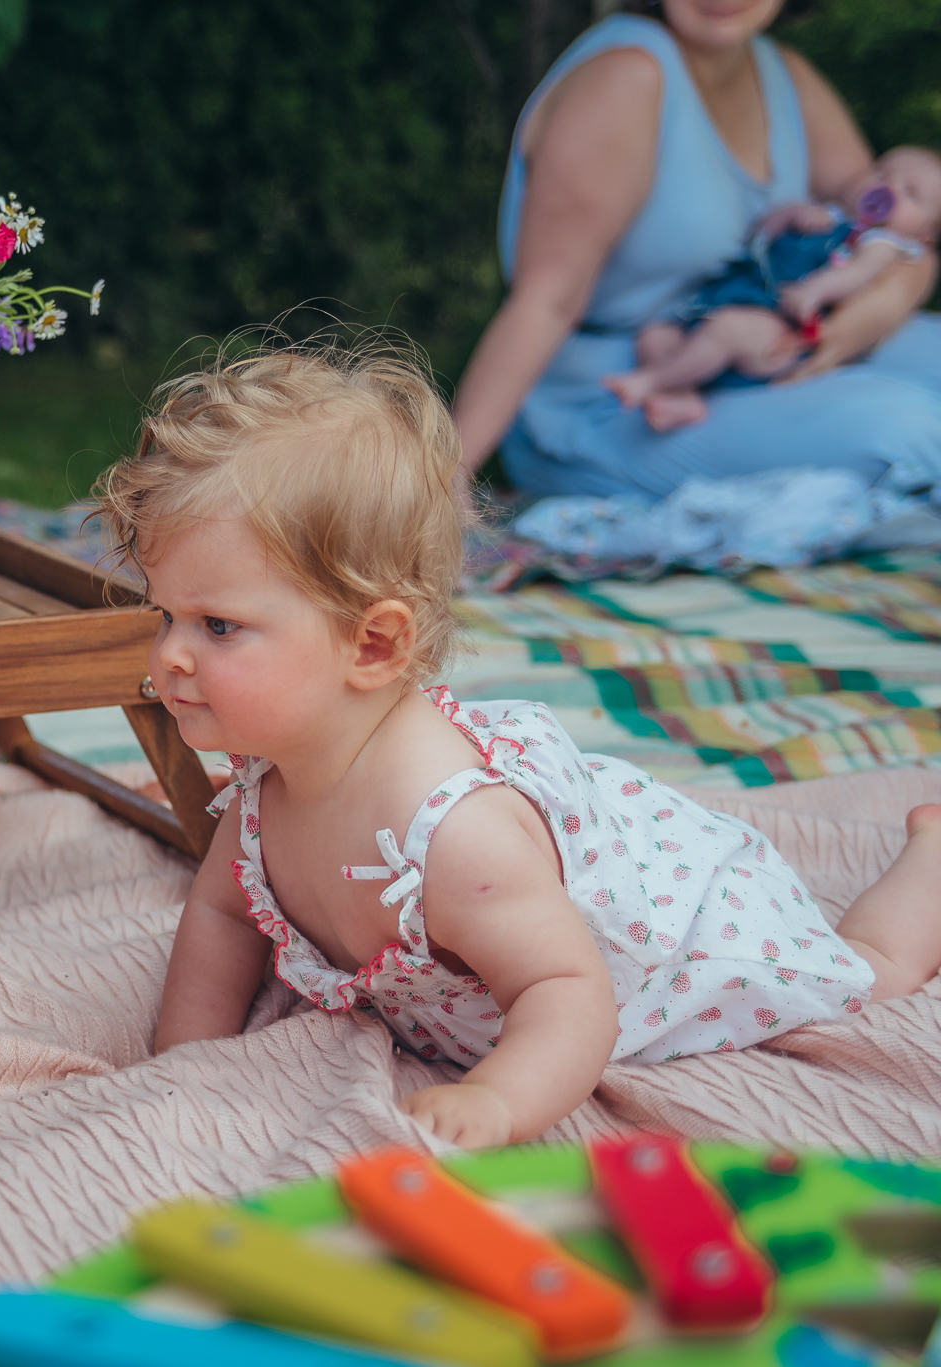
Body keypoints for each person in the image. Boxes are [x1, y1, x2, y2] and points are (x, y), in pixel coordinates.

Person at [98, 343, 941, 1148]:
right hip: (569, 868)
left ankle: (931, 861)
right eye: (165, 614)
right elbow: (223, 913)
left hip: (683, 940)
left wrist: (497, 1099)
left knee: (863, 972)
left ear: (374, 646)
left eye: (218, 625)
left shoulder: (456, 840)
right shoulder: (267, 785)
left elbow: (570, 990)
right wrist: (182, 1062)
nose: (170, 654)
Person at [450, 1, 941, 498]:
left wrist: (876, 312)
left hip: (750, 356)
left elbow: (893, 229)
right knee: (909, 433)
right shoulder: (626, 78)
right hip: (617, 400)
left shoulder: (782, 74)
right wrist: (442, 482)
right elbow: (545, 302)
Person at [605, 147, 941, 431]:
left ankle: (650, 382)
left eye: (910, 192)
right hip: (730, 300)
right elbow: (762, 235)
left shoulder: (882, 245)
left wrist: (815, 291)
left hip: (784, 327)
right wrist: (791, 214)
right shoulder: (829, 214)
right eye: (882, 174)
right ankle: (681, 397)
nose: (888, 189)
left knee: (727, 331)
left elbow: (853, 275)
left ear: (926, 232)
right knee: (656, 335)